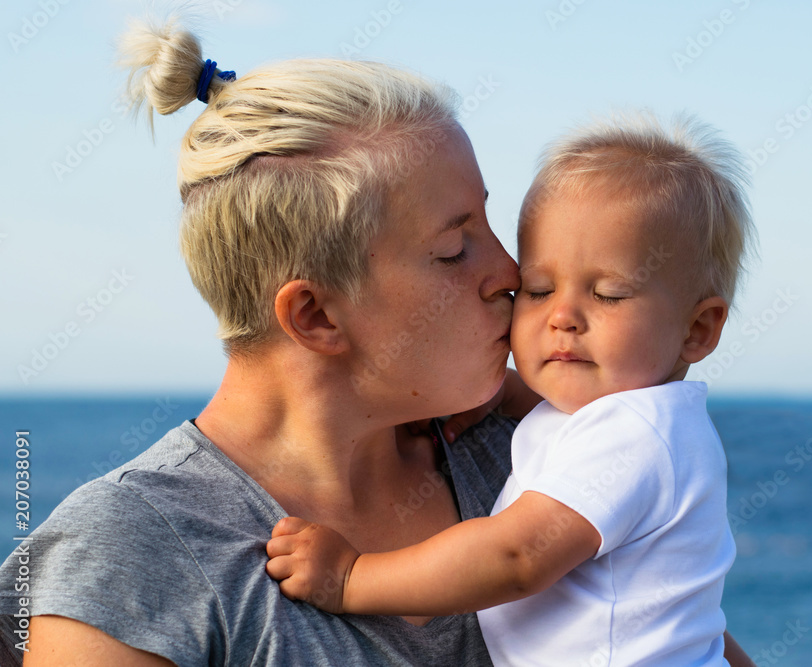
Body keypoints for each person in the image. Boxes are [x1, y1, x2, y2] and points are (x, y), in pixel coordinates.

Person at [0, 16, 756, 667]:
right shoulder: (136, 553)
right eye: (455, 249)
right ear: (317, 317)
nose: (509, 273)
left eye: (491, 223)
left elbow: (678, 633)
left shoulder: (528, 445)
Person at [265, 112, 754, 666]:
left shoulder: (635, 434)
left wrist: (352, 578)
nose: (563, 317)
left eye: (610, 294)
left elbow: (517, 556)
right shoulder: (626, 415)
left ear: (698, 329)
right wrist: (505, 395)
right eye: (539, 289)